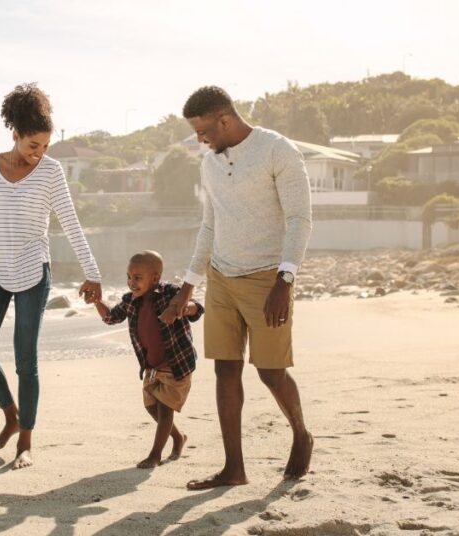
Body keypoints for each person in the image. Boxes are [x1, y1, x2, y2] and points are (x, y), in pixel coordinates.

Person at [160, 86, 314, 489]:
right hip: (222, 278)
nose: (200, 140)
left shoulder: (278, 150)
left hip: (268, 279)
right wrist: (188, 286)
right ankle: (234, 468)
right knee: (225, 370)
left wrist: (285, 279)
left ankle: (301, 433)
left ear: (224, 120)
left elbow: (299, 218)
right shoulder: (210, 164)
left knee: (271, 373)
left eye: (203, 131)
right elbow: (210, 225)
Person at [0, 83, 102, 470]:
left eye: (45, 146)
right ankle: (11, 417)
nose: (40, 154)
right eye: (33, 145)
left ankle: (26, 442)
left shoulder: (50, 172)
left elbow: (70, 223)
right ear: (14, 134)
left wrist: (92, 273)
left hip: (34, 272)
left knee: (25, 361)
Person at [91, 251, 203, 469]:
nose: (131, 282)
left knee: (165, 409)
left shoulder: (171, 293)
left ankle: (155, 455)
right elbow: (110, 317)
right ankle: (179, 438)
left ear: (155, 278)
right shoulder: (131, 301)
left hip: (176, 365)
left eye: (138, 278)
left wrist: (182, 308)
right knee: (152, 407)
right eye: (129, 277)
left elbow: (197, 308)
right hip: (151, 367)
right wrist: (97, 301)